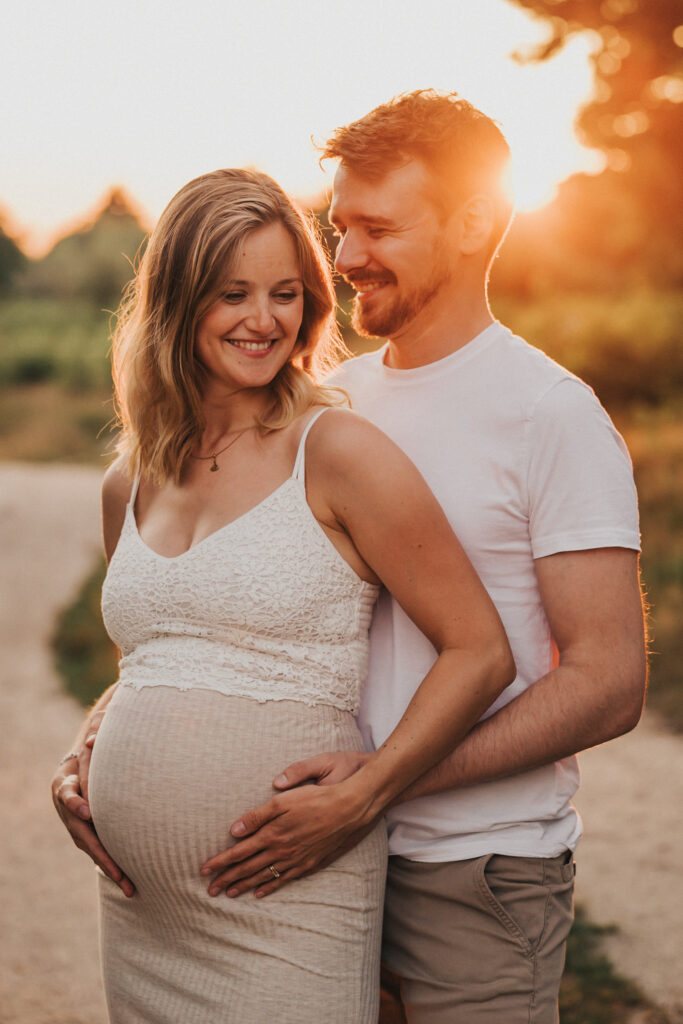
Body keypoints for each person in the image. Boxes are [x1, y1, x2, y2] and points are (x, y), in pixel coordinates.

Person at [175, 93, 647, 1023]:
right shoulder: (326, 405)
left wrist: (382, 782)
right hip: (317, 870)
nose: (343, 258)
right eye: (339, 226)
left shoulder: (548, 414)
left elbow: (608, 681)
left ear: (472, 225)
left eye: (378, 228)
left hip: (472, 871)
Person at [51, 166, 515, 1024]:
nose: (264, 320)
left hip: (287, 901)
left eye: (286, 293)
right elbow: (153, 663)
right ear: (176, 302)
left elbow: (479, 649)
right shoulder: (131, 479)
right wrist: (86, 756)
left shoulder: (336, 451)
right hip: (142, 916)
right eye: (232, 293)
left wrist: (366, 790)